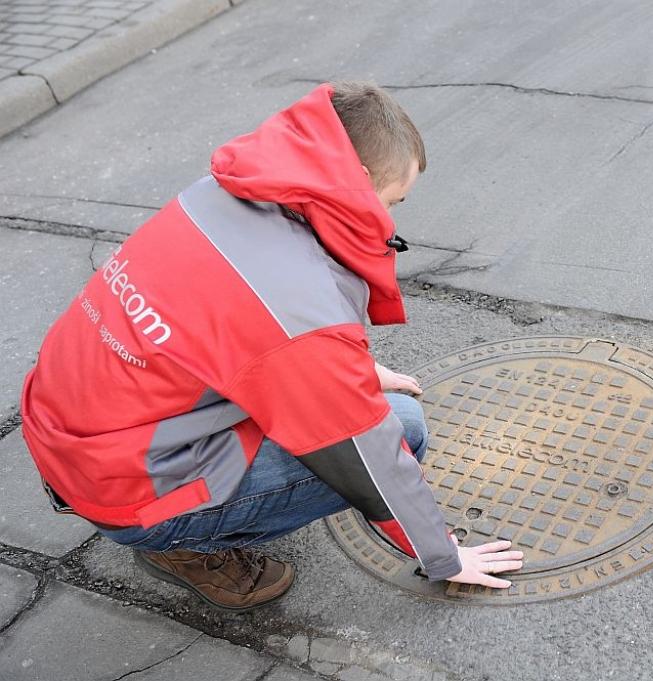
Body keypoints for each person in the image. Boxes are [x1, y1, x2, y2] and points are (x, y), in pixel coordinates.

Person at [19, 81, 523, 611]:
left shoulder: (218, 196)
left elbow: (227, 325)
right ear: (355, 185)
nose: (392, 219)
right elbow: (367, 460)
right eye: (393, 200)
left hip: (69, 435)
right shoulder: (294, 307)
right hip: (125, 486)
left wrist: (355, 368)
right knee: (405, 428)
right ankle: (183, 544)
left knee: (364, 409)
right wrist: (444, 556)